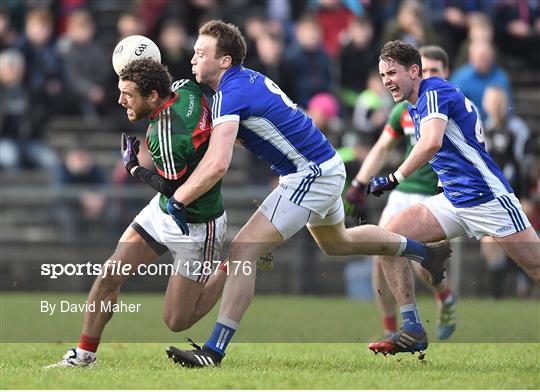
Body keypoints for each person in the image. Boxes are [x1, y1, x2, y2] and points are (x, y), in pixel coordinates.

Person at [164, 20, 451, 368]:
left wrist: (179, 197)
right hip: (321, 167)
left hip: (309, 173)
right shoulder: (241, 83)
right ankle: (424, 253)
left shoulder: (230, 93)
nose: (193, 58)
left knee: (243, 250)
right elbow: (249, 136)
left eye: (201, 53)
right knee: (337, 243)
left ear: (224, 60)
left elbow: (219, 164)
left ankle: (214, 350)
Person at [46, 58, 229, 367]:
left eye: (128, 94)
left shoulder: (165, 136)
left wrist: (133, 167)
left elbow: (177, 191)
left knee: (177, 321)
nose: (120, 100)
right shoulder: (184, 87)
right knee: (109, 275)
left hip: (196, 224)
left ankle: (231, 267)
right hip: (162, 212)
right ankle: (84, 355)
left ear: (154, 95)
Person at [366, 40, 539, 356]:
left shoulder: (433, 92)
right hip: (453, 200)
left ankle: (428, 260)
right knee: (387, 241)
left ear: (414, 71)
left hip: (488, 198)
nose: (386, 80)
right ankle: (413, 329)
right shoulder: (416, 104)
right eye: (382, 75)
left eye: (392, 72)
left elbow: (431, 143)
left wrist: (394, 177)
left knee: (536, 268)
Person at [346, 45, 457, 340]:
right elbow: (382, 147)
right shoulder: (403, 110)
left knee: (421, 265)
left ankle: (444, 297)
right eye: (427, 70)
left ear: (445, 74)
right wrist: (358, 183)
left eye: (435, 71)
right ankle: (391, 329)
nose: (429, 76)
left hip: (437, 196)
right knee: (380, 254)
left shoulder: (453, 104)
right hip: (403, 191)